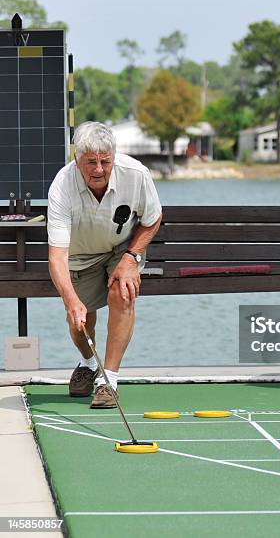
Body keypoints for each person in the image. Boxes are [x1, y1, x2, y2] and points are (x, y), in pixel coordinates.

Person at [47, 122, 163, 408]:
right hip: (79, 255)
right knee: (79, 320)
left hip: (122, 248)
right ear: (77, 161)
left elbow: (152, 219)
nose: (98, 169)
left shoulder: (136, 174)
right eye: (90, 162)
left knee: (122, 292)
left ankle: (108, 381)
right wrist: (71, 300)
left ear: (114, 156)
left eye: (105, 161)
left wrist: (131, 257)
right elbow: (57, 256)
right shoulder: (62, 185)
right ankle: (88, 363)